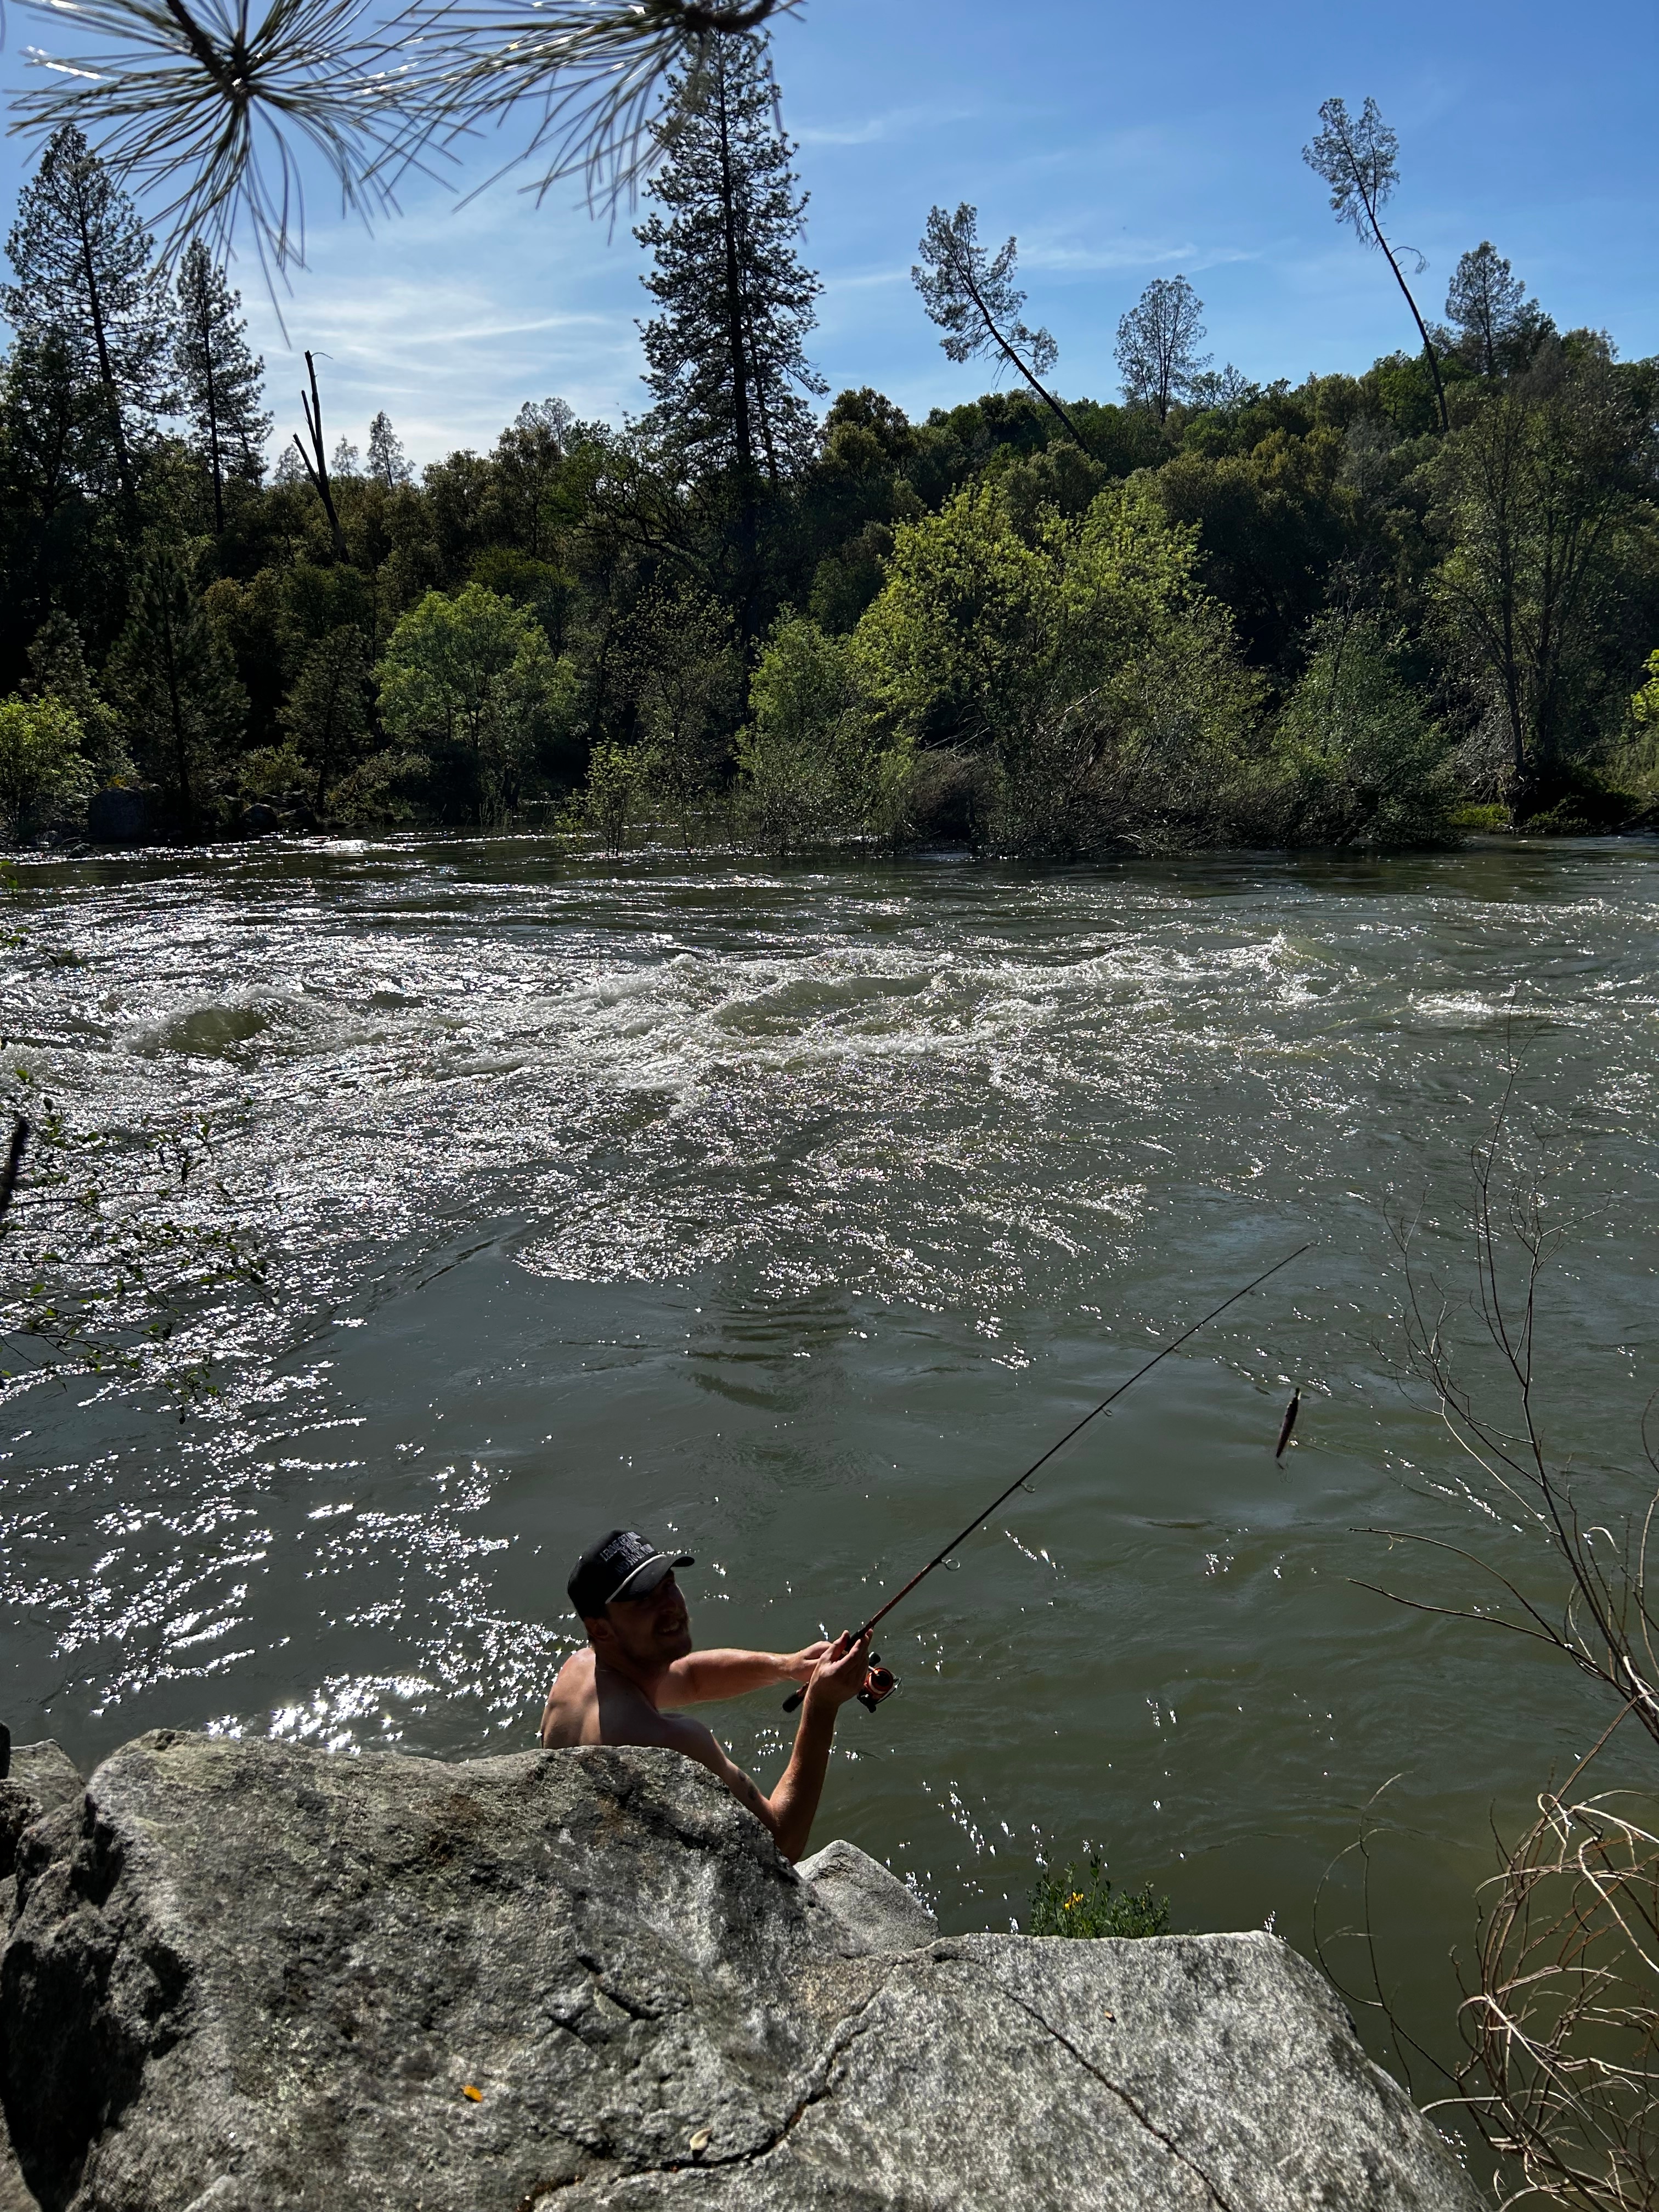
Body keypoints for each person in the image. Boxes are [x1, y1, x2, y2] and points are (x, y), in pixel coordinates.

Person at [540, 1528, 873, 1863]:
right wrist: (821, 1704)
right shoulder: (663, 1740)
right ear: (601, 1627)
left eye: (668, 1584)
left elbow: (691, 1678)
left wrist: (787, 1666)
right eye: (644, 1600)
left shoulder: (579, 1671)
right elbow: (781, 1844)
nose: (671, 1605)